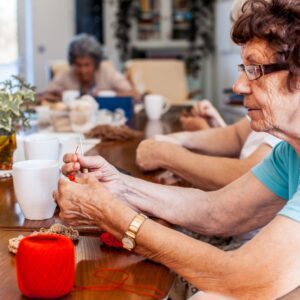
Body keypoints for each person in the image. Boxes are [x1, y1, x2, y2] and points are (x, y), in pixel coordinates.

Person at [54, 0, 300, 299]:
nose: (238, 86)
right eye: (243, 69)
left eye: (254, 69)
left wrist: (113, 216)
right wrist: (120, 188)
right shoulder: (290, 152)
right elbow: (217, 211)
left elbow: (243, 279)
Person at [40, 33, 134, 101]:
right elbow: (41, 96)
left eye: (87, 65)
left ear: (96, 63)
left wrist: (109, 95)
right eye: (78, 65)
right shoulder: (66, 75)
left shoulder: (108, 72)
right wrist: (54, 95)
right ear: (72, 63)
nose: (83, 70)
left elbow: (134, 95)